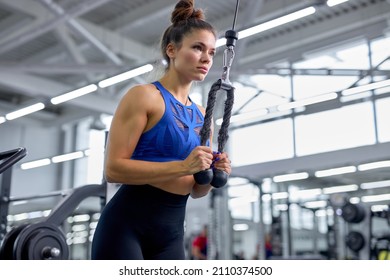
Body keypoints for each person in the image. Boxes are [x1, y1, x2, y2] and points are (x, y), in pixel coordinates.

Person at [91, 0, 231, 260]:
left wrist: (212, 175)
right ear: (172, 50)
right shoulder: (144, 97)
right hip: (125, 227)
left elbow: (196, 190)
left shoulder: (204, 116)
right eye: (197, 48)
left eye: (211, 52)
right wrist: (183, 167)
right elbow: (113, 170)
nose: (206, 58)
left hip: (171, 233)